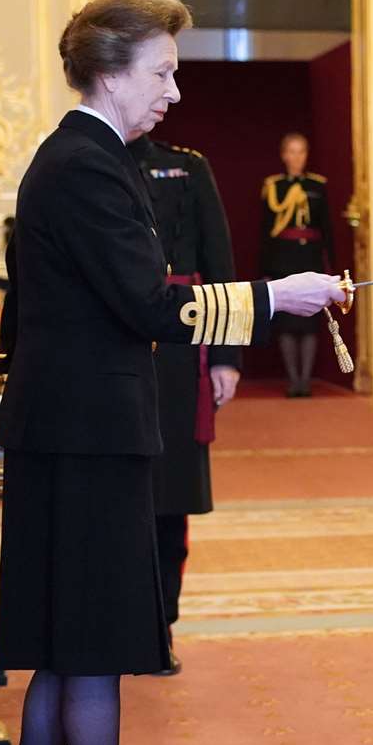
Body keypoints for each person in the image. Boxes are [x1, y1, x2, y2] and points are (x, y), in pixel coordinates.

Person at [0, 0, 344, 745]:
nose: (174, 93)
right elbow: (151, 305)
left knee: (68, 650)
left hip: (72, 432)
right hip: (84, 440)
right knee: (92, 647)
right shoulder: (87, 165)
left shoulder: (89, 158)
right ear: (109, 73)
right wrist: (275, 297)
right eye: (162, 73)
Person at [130, 134, 241, 673]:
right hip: (111, 348)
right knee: (113, 499)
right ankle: (115, 626)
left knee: (169, 499)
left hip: (179, 349)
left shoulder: (186, 166)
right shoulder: (86, 161)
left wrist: (225, 357)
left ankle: (161, 626)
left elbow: (219, 263)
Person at [259, 132, 333, 397]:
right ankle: (294, 380)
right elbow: (266, 232)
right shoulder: (273, 187)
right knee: (288, 322)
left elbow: (326, 229)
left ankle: (306, 380)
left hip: (310, 258)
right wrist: (266, 269)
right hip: (282, 259)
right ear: (283, 155)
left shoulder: (318, 185)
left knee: (310, 322)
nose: (296, 157)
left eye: (301, 151)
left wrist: (329, 264)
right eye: (291, 151)